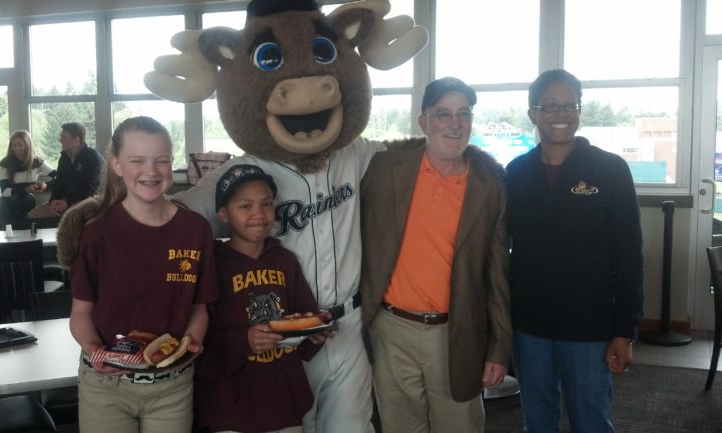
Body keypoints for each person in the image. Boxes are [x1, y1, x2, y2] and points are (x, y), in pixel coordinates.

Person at [359, 77, 512, 433]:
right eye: (444, 114)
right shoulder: (383, 170)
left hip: (457, 332)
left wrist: (499, 348)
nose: (455, 123)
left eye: (464, 114)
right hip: (391, 329)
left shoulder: (490, 185)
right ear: (424, 121)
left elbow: (497, 273)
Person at [505, 69, 644, 433]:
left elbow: (629, 255)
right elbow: (502, 248)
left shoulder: (611, 170)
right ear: (532, 113)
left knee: (591, 421)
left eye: (569, 105)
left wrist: (624, 330)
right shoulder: (515, 173)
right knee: (537, 419)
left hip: (589, 329)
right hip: (529, 327)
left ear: (580, 111)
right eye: (550, 105)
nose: (560, 114)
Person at [68, 116, 218, 433]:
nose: (151, 171)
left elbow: (199, 309)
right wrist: (95, 350)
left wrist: (192, 342)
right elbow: (81, 313)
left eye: (161, 161)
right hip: (106, 386)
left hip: (172, 386)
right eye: (137, 161)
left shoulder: (195, 230)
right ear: (117, 165)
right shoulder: (96, 234)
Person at [194, 164, 331, 433]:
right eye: (245, 206)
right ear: (223, 214)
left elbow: (304, 317)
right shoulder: (212, 265)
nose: (259, 213)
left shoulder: (285, 261)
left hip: (283, 405)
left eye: (266, 204)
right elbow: (199, 346)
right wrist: (243, 341)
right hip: (230, 410)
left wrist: (315, 332)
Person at [29, 122, 103, 220]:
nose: (60, 140)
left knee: (70, 218)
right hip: (64, 202)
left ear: (76, 139)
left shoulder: (92, 157)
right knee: (33, 216)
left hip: (87, 202)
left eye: (63, 137)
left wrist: (67, 202)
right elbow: (60, 181)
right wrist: (53, 201)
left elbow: (91, 188)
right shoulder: (64, 157)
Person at [0, 130, 56, 230]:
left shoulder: (37, 162)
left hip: (27, 198)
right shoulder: (5, 163)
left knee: (9, 208)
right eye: (14, 145)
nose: (16, 148)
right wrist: (25, 189)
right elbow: (5, 191)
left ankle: (2, 235)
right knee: (7, 204)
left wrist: (45, 185)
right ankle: (16, 234)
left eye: (20, 145)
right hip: (8, 199)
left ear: (27, 145)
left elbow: (58, 177)